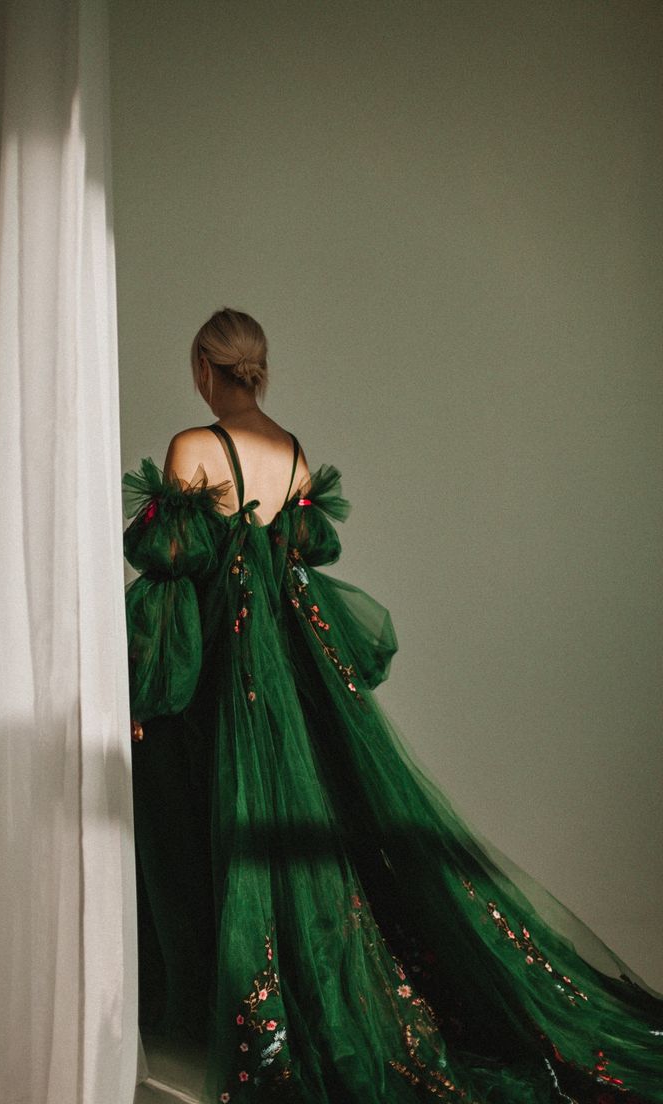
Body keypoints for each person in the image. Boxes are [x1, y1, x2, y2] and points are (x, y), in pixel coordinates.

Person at [123, 307, 663, 1104]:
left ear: (205, 367)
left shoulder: (194, 448)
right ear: (257, 368)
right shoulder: (294, 452)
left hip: (222, 670)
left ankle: (226, 1014)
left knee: (207, 818)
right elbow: (288, 560)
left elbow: (171, 575)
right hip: (289, 667)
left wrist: (145, 689)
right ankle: (283, 999)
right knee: (297, 826)